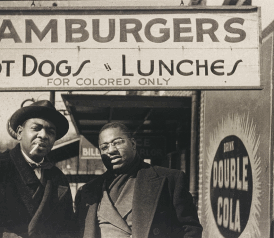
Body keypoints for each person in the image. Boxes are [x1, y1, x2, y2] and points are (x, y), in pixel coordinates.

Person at [75, 122, 203, 238]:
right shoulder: (87, 191)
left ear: (133, 144)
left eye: (118, 142)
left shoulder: (169, 180)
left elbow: (190, 230)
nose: (111, 150)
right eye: (104, 147)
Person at [0, 100, 74, 238]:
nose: (43, 135)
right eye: (36, 128)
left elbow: (68, 228)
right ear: (19, 133)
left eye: (50, 131)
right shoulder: (3, 168)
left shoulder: (60, 179)